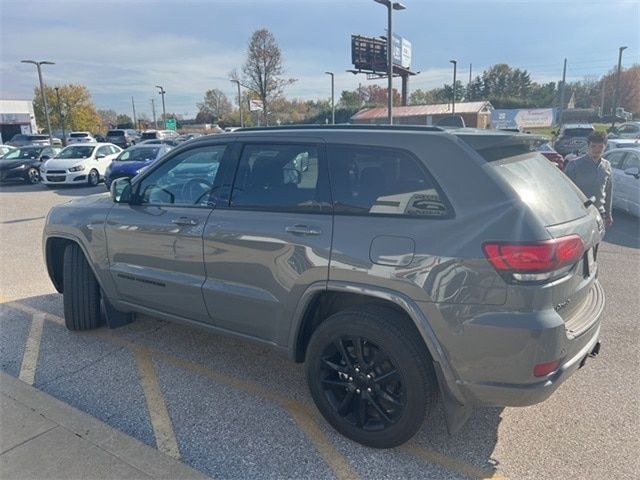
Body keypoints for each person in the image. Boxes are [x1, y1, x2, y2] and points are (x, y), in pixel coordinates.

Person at [564, 131, 613, 227]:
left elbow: (608, 191)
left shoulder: (606, 166)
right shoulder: (574, 165)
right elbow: (565, 191)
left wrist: (608, 214)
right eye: (593, 146)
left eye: (600, 147)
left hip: (599, 214)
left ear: (605, 147)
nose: (596, 150)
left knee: (597, 242)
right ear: (588, 146)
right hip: (579, 214)